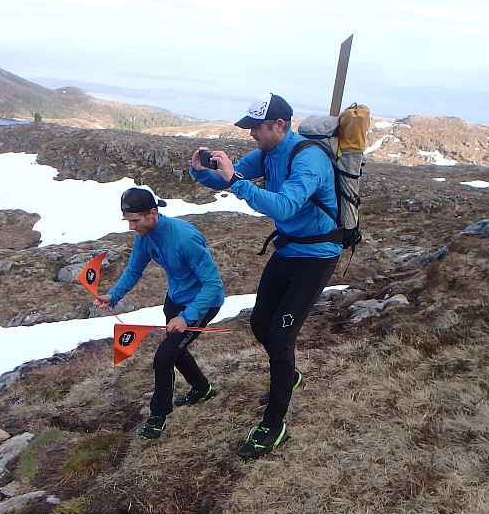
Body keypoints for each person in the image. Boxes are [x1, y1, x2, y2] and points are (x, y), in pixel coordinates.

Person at [190, 93, 340, 460]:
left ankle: (273, 426)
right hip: (288, 249)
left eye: (256, 127)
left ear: (279, 125)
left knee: (282, 334)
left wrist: (237, 182)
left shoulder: (309, 158)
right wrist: (201, 169)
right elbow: (227, 178)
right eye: (249, 128)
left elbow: (287, 204)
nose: (252, 134)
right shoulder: (268, 153)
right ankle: (288, 377)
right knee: (260, 323)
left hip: (317, 255)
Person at [95, 187, 225, 440]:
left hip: (202, 303)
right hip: (175, 299)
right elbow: (134, 271)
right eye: (128, 221)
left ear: (152, 213)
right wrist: (113, 295)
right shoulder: (144, 236)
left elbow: (213, 285)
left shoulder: (185, 238)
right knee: (175, 350)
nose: (131, 227)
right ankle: (202, 388)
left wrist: (187, 318)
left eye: (135, 220)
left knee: (164, 357)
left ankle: (159, 414)